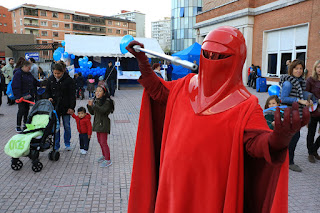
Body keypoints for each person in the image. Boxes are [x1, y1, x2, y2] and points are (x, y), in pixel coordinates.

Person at [126, 26, 310, 213]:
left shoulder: (245, 104)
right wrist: (144, 66)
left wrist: (277, 140)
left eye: (220, 56)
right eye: (207, 54)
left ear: (236, 60)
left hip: (210, 194)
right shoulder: (184, 86)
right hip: (172, 187)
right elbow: (158, 92)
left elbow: (255, 144)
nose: (212, 60)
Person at [279, 59, 312, 172]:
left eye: (300, 69)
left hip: (296, 113)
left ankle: (286, 159)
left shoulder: (299, 81)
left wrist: (308, 100)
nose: (298, 71)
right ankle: (290, 162)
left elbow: (302, 94)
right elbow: (283, 98)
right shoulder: (288, 82)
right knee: (294, 137)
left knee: (292, 137)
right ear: (291, 69)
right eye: (296, 68)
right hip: (290, 114)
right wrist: (299, 100)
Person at [45, 61, 76, 151]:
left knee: (67, 126)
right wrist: (49, 97)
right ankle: (56, 145)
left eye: (58, 73)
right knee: (56, 127)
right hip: (55, 108)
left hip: (66, 107)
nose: (56, 75)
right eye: (55, 73)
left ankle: (67, 143)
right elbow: (47, 91)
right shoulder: (51, 79)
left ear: (62, 72)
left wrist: (71, 108)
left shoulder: (69, 80)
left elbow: (72, 95)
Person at [87, 85, 114, 167]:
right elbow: (92, 112)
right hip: (97, 122)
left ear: (104, 93)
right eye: (96, 91)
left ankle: (108, 160)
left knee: (103, 142)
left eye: (100, 91)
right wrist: (90, 106)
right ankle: (104, 155)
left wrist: (94, 105)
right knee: (100, 141)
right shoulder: (97, 100)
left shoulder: (107, 102)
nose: (97, 93)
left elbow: (102, 111)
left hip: (103, 123)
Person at [12, 61, 40, 132]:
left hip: (28, 96)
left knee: (27, 110)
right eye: (29, 67)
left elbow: (34, 82)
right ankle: (18, 125)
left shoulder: (29, 74)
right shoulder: (18, 74)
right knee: (21, 110)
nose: (30, 69)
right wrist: (18, 96)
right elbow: (15, 86)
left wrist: (43, 84)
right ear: (24, 66)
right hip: (21, 97)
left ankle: (25, 124)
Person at [305, 60, 320, 163]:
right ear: (315, 68)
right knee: (311, 132)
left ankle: (314, 149)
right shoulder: (310, 80)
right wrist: (316, 100)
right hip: (313, 111)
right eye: (318, 67)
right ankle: (311, 153)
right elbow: (306, 94)